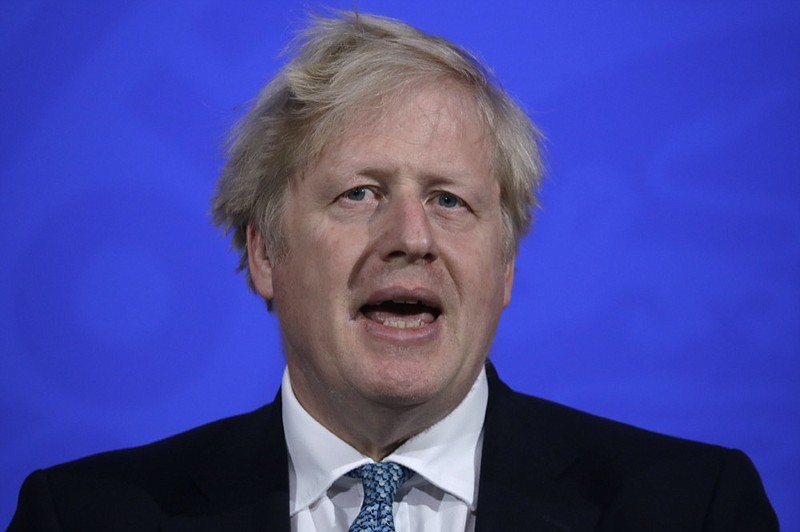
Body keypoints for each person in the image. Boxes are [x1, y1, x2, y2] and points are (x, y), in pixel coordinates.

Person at [10, 11, 777, 531]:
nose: (410, 236)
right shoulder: (85, 515)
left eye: (449, 199)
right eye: (359, 194)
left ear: (505, 266)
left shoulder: (691, 508)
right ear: (265, 252)